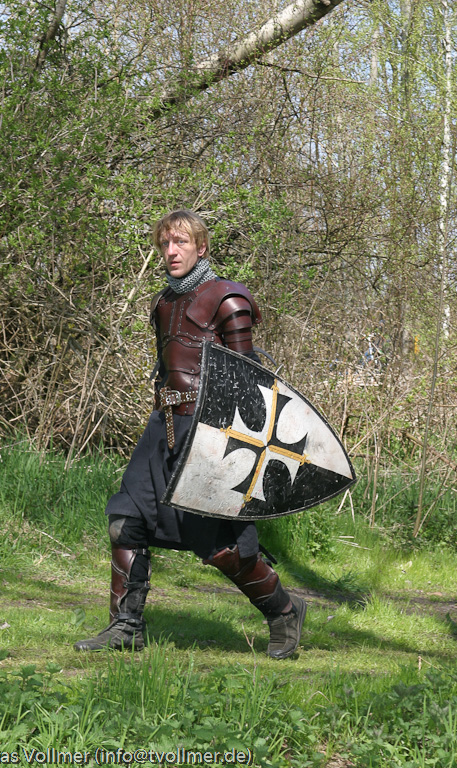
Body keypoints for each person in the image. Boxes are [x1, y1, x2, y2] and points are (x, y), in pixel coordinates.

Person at [74, 209, 306, 659]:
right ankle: (126, 626)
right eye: (164, 244)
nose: (171, 251)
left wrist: (224, 445)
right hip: (164, 425)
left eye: (180, 242)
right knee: (125, 519)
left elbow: (248, 385)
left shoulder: (228, 299)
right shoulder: (163, 303)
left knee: (217, 544)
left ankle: (283, 612)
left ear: (201, 247)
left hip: (212, 433)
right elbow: (167, 371)